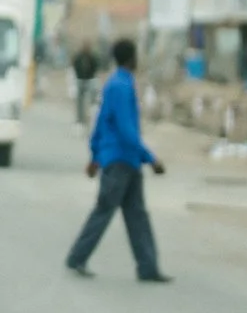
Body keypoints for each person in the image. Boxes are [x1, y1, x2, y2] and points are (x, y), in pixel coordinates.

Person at [65, 37, 170, 282]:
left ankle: (148, 267)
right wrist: (151, 158)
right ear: (132, 58)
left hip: (125, 161)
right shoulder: (122, 86)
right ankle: (77, 257)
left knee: (137, 215)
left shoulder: (115, 84)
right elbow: (125, 129)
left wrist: (94, 155)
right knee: (105, 210)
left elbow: (101, 122)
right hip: (121, 161)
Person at [70, 42, 102, 127]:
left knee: (92, 99)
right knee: (80, 101)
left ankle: (90, 117)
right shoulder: (79, 57)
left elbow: (95, 66)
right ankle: (80, 119)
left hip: (89, 79)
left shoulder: (92, 57)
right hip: (80, 79)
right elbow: (75, 66)